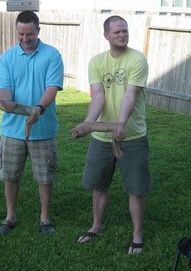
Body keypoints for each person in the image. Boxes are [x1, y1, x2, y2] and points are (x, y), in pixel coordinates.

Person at [72, 15, 151, 254]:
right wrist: (88, 123)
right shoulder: (97, 62)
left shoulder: (137, 59)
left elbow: (130, 95)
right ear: (106, 35)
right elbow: (98, 96)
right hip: (102, 138)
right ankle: (96, 226)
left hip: (133, 135)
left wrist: (121, 123)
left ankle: (137, 235)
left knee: (136, 188)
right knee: (98, 185)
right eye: (117, 32)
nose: (122, 35)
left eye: (125, 31)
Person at [0, 10, 64, 235]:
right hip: (12, 130)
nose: (25, 38)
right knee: (10, 175)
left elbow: (52, 88)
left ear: (39, 31)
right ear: (17, 31)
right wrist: (4, 102)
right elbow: (4, 93)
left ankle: (45, 218)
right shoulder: (6, 57)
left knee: (44, 177)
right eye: (21, 34)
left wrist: (39, 109)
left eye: (30, 34)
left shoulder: (52, 55)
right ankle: (10, 216)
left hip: (42, 128)